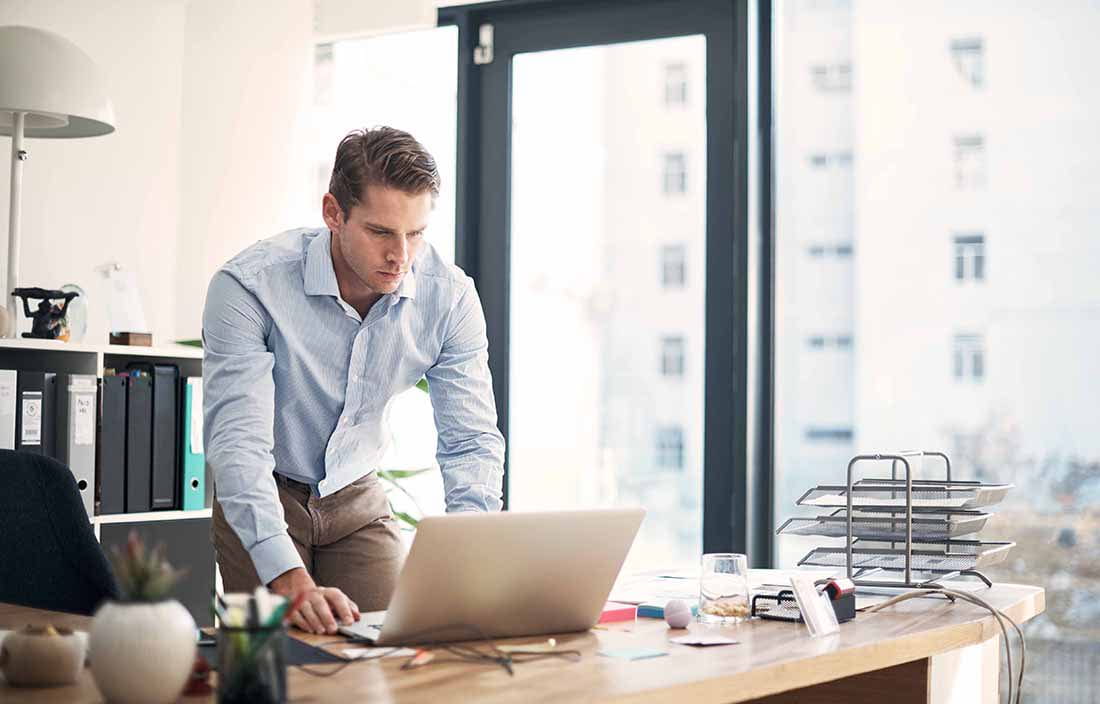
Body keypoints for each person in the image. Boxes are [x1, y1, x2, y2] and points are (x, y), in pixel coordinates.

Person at [202, 127, 505, 635]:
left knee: (394, 651)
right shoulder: (248, 287)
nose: (401, 257)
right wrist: (285, 575)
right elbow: (238, 448)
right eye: (381, 232)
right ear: (333, 213)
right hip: (265, 492)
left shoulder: (450, 297)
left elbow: (471, 441)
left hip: (357, 498)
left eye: (416, 233)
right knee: (279, 665)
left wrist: (467, 562)